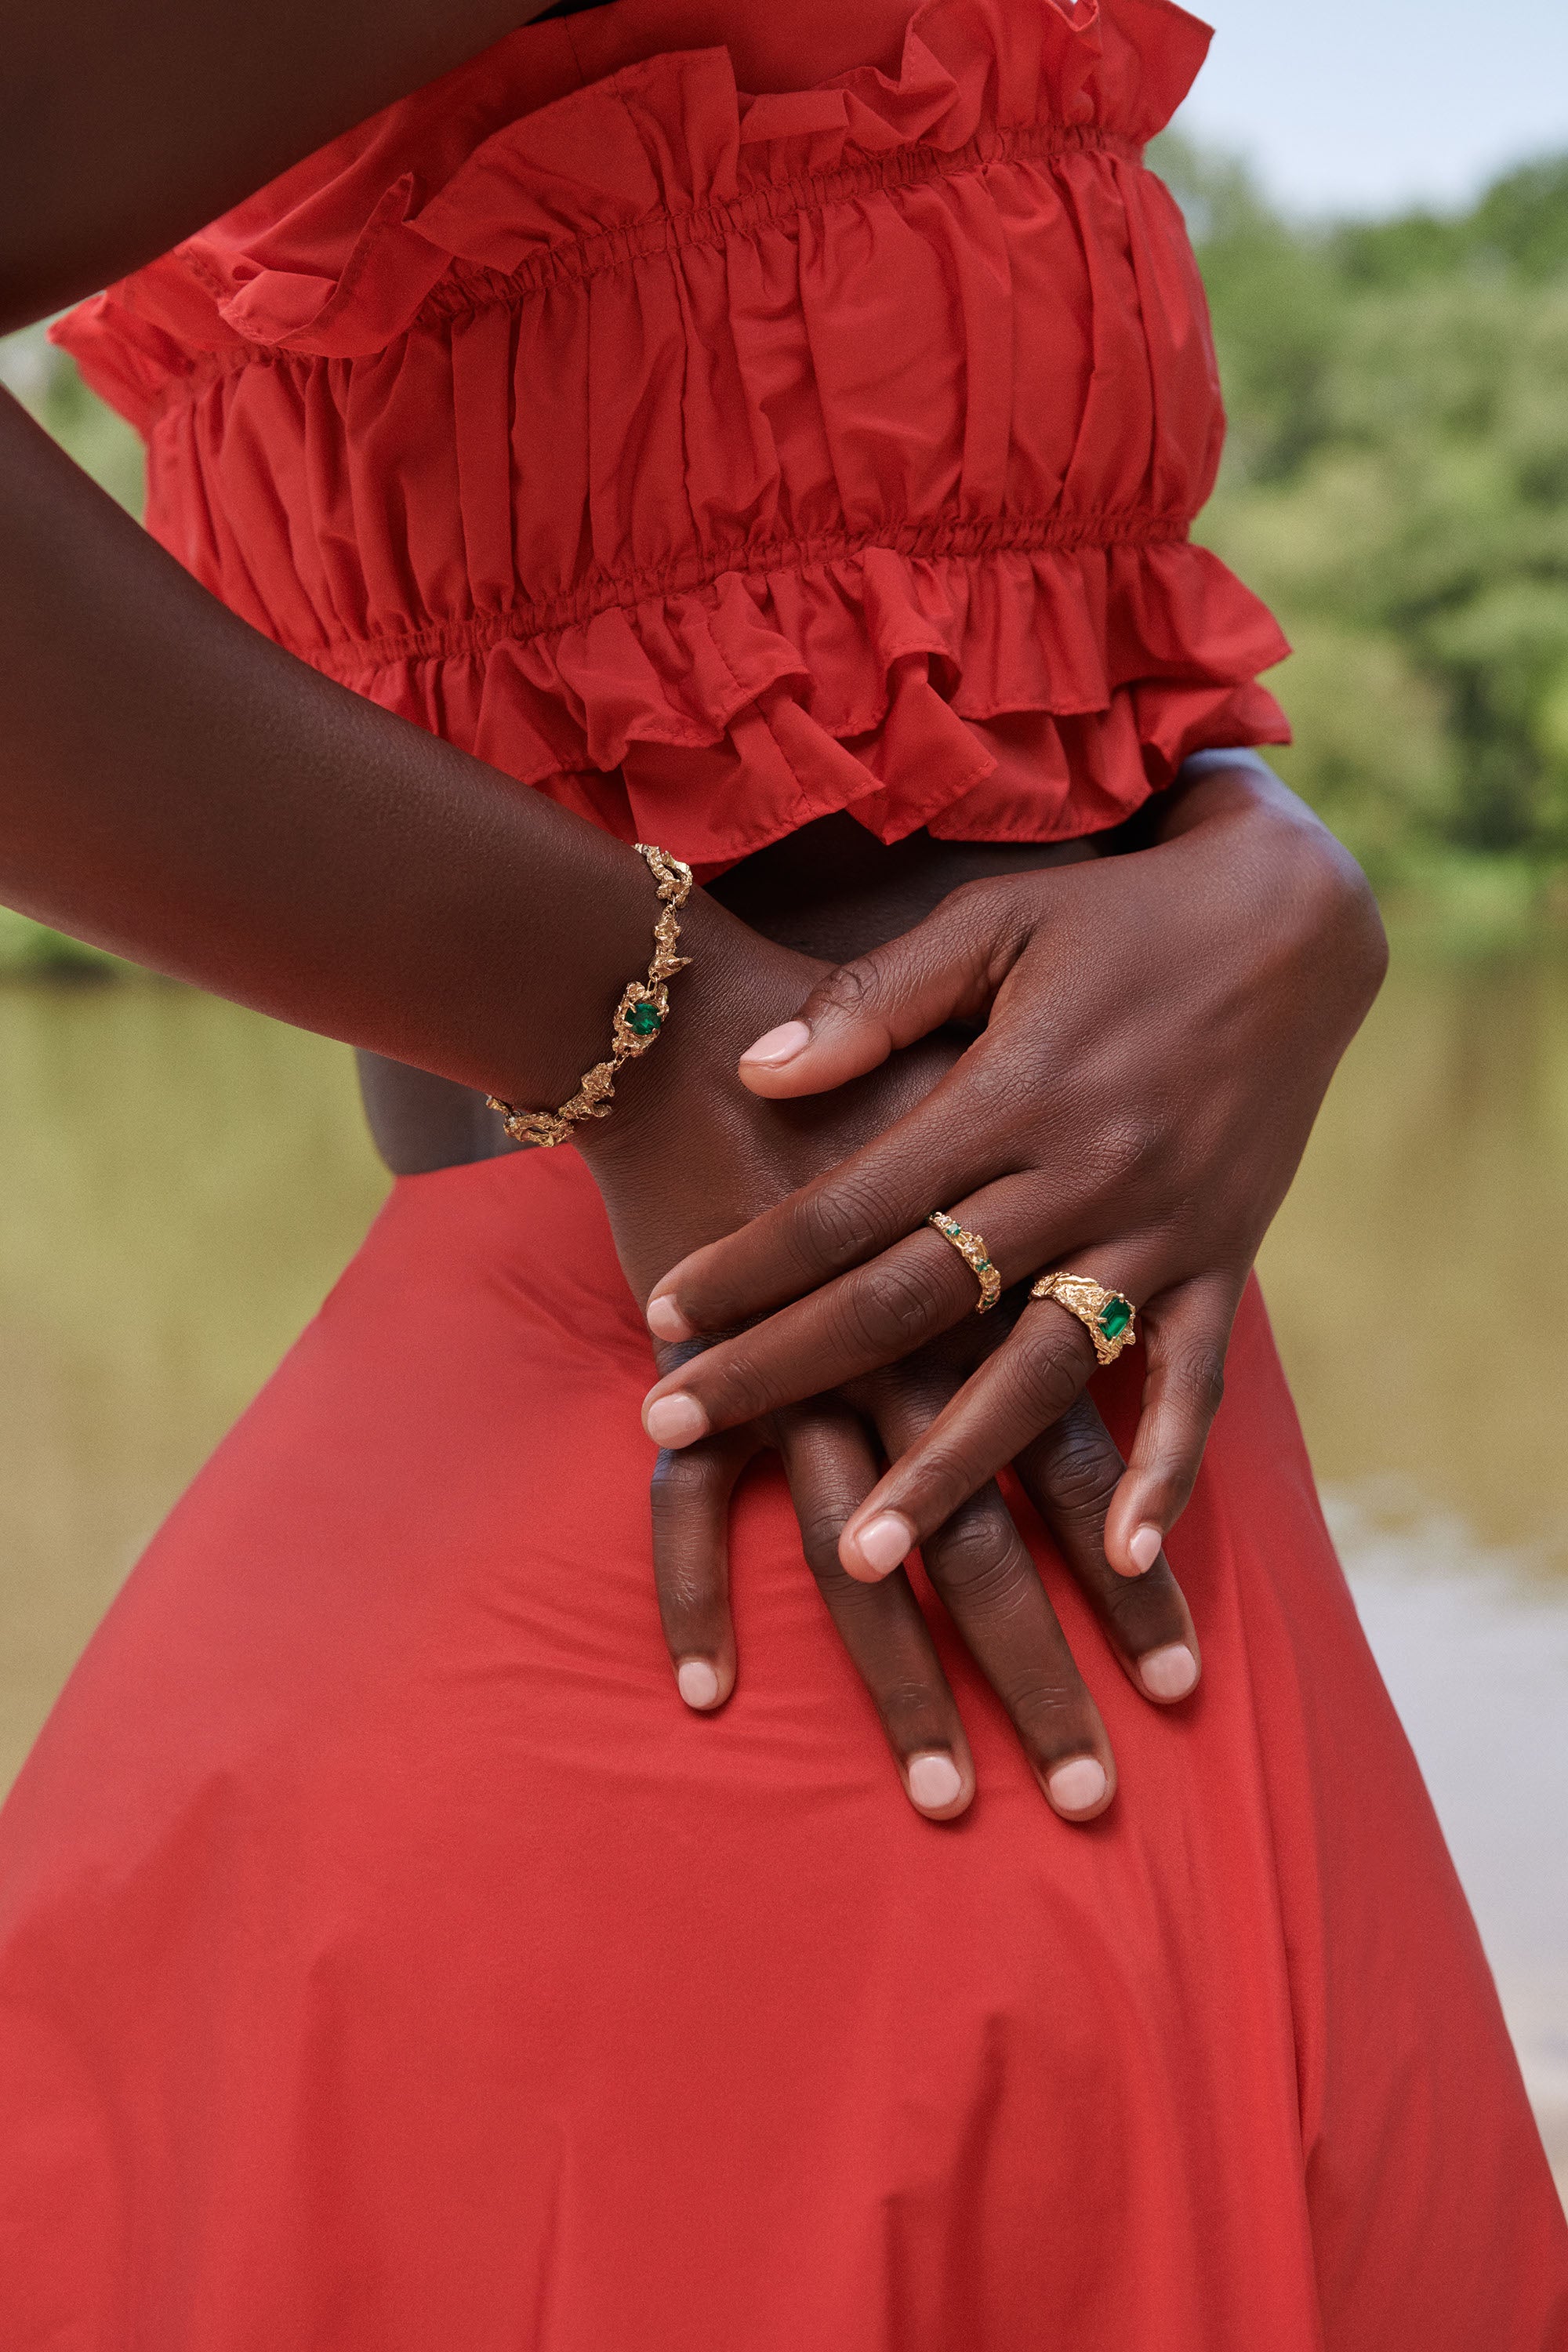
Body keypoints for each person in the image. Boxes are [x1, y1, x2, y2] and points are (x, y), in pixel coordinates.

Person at [0, 0, 1563, 2343]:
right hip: (724, 1602)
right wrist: (629, 1034)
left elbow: (1000, 649)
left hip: (1098, 1500)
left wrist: (1278, 878)